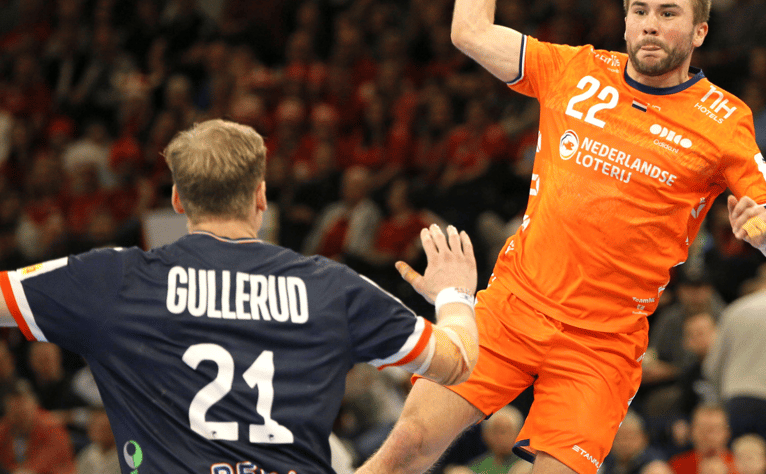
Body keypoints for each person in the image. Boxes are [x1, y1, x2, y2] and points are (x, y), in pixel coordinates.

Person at [358, 0, 766, 474]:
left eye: (669, 13)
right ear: (624, 21)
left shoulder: (725, 117)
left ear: (698, 32)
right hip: (511, 308)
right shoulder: (574, 69)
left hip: (601, 347)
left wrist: (765, 233)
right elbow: (469, 31)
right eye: (640, 10)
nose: (650, 23)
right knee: (406, 446)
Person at [0, 119, 479, 474]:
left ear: (177, 200)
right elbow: (457, 361)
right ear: (261, 196)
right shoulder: (334, 288)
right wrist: (454, 293)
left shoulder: (113, 279)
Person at [703, 262, 766, 464]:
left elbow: (711, 366)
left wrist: (722, 398)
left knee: (737, 465)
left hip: (735, 400)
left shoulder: (734, 311)